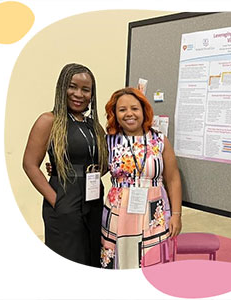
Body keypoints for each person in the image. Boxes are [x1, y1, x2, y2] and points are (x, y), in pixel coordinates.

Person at [22, 63, 108, 267]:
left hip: (94, 201)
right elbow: (29, 164)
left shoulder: (93, 126)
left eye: (85, 89)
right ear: (62, 88)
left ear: (92, 94)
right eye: (72, 86)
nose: (79, 94)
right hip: (64, 200)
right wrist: (56, 201)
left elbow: (106, 162)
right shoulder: (49, 121)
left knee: (92, 259)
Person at [100, 87, 182, 269]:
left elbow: (173, 178)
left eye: (134, 108)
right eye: (122, 110)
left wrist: (177, 215)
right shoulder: (108, 141)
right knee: (120, 261)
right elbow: (95, 169)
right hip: (118, 213)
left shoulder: (160, 140)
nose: (129, 114)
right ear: (115, 113)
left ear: (143, 111)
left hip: (155, 214)